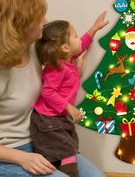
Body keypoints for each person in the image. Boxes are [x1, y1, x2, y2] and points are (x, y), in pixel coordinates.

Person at [0, 0, 106, 177]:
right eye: (40, 18)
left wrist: (75, 72)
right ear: (21, 25)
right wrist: (22, 158)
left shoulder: (32, 49)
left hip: (39, 141)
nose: (45, 21)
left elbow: (70, 49)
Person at [30, 12, 108, 177]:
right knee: (67, 151)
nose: (79, 39)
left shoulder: (69, 59)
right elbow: (47, 91)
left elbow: (82, 45)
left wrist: (94, 28)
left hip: (57, 118)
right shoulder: (57, 68)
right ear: (64, 47)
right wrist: (69, 107)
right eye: (75, 35)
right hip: (47, 119)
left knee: (68, 148)